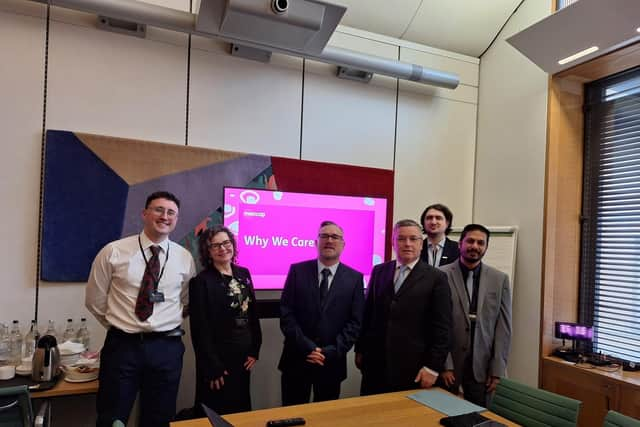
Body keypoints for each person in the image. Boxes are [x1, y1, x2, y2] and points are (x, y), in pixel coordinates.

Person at [86, 191, 196, 427]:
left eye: (171, 212)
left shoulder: (185, 257)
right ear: (144, 214)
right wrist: (123, 325)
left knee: (159, 418)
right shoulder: (113, 251)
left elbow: (185, 302)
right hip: (122, 347)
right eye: (158, 209)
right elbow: (95, 300)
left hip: (167, 348)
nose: (164, 216)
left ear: (176, 219)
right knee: (111, 417)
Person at [356, 219, 452, 395]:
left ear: (421, 244)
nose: (407, 244)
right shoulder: (379, 271)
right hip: (375, 365)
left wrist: (432, 367)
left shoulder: (437, 278)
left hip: (413, 369)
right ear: (393, 242)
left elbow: (442, 328)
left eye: (413, 239)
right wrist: (360, 350)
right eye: (401, 239)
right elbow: (368, 314)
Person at [279, 221, 365, 405]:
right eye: (324, 236)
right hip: (297, 359)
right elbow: (286, 314)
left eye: (335, 237)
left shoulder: (355, 278)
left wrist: (330, 351)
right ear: (315, 242)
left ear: (343, 244)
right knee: (291, 414)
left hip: (331, 363)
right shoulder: (297, 271)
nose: (329, 240)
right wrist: (308, 347)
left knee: (325, 419)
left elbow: (355, 322)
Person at [189, 225, 262, 415]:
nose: (223, 249)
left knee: (241, 408)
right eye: (216, 246)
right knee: (216, 410)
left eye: (226, 243)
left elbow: (253, 313)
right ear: (208, 251)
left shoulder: (243, 274)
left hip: (243, 356)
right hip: (217, 360)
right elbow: (200, 329)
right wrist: (212, 366)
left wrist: (255, 349)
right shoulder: (201, 282)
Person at [439, 224, 512, 406]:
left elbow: (503, 328)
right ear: (460, 244)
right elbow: (437, 325)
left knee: (477, 418)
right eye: (470, 241)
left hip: (482, 367)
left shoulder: (499, 279)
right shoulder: (441, 275)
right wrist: (444, 364)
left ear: (486, 247)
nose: (475, 246)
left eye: (481, 243)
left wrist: (497, 370)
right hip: (450, 366)